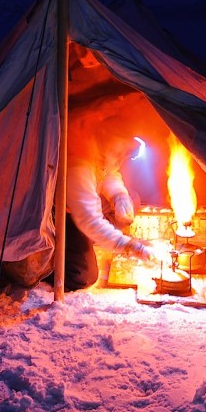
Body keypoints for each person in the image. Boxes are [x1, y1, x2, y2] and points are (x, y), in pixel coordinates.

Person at [63, 107, 157, 291]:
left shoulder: (101, 152)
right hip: (67, 217)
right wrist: (129, 246)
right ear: (106, 140)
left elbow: (109, 174)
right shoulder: (78, 166)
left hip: (86, 207)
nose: (122, 156)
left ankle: (101, 238)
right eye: (119, 150)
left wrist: (119, 196)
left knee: (132, 198)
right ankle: (58, 259)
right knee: (84, 276)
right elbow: (89, 219)